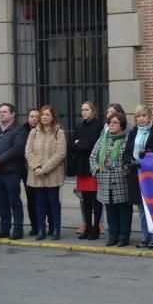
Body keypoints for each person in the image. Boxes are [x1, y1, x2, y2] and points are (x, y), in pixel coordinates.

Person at [125, 105, 153, 249]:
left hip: (152, 174)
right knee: (141, 208)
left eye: (144, 116)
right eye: (138, 116)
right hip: (136, 174)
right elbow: (126, 152)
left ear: (150, 117)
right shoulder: (133, 133)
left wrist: (149, 152)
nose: (141, 119)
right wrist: (130, 160)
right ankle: (145, 237)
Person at [25, 105, 67, 241]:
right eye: (42, 115)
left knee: (53, 202)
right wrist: (37, 166)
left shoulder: (58, 131)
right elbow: (28, 151)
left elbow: (60, 153)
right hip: (36, 173)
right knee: (40, 203)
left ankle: (55, 229)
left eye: (47, 115)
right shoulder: (34, 132)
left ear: (53, 117)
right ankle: (41, 230)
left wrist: (45, 168)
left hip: (52, 174)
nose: (44, 117)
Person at [90, 112, 131, 247]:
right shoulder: (103, 138)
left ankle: (124, 237)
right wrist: (97, 169)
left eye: (115, 123)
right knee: (110, 210)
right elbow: (93, 157)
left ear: (122, 125)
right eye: (110, 123)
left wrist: (124, 171)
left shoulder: (127, 139)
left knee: (123, 210)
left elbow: (129, 158)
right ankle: (112, 236)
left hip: (121, 180)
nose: (111, 125)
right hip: (104, 180)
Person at [0, 103, 28, 240]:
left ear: (13, 114)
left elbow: (18, 149)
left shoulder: (19, 130)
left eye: (5, 112)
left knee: (14, 201)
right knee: (1, 202)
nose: (1, 114)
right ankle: (4, 228)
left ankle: (18, 229)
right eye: (0, 111)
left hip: (11, 172)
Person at [69, 102, 104, 240]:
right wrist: (79, 143)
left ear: (93, 111)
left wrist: (80, 143)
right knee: (85, 201)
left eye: (86, 109)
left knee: (96, 201)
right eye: (82, 110)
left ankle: (96, 228)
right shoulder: (79, 125)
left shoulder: (98, 125)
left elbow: (92, 144)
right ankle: (87, 227)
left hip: (93, 169)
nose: (84, 112)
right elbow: (71, 144)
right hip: (81, 168)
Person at [22, 108, 40, 236]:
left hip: (42, 170)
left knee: (43, 200)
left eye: (36, 116)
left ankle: (47, 226)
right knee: (31, 200)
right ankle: (35, 226)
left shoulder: (44, 130)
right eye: (31, 116)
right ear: (28, 118)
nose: (34, 119)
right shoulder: (22, 131)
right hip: (27, 171)